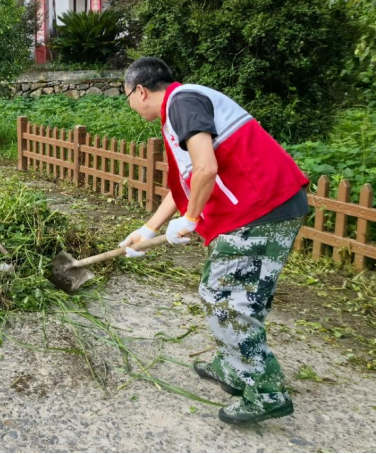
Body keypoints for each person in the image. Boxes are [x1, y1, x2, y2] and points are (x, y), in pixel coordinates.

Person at [119, 57, 308, 425]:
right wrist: (150, 229)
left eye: (127, 96)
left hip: (263, 207)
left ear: (140, 90)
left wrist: (190, 221)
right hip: (257, 209)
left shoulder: (181, 102)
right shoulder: (179, 110)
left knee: (228, 298)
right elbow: (188, 181)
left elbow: (207, 167)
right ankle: (235, 368)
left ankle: (266, 391)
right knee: (224, 294)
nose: (129, 103)